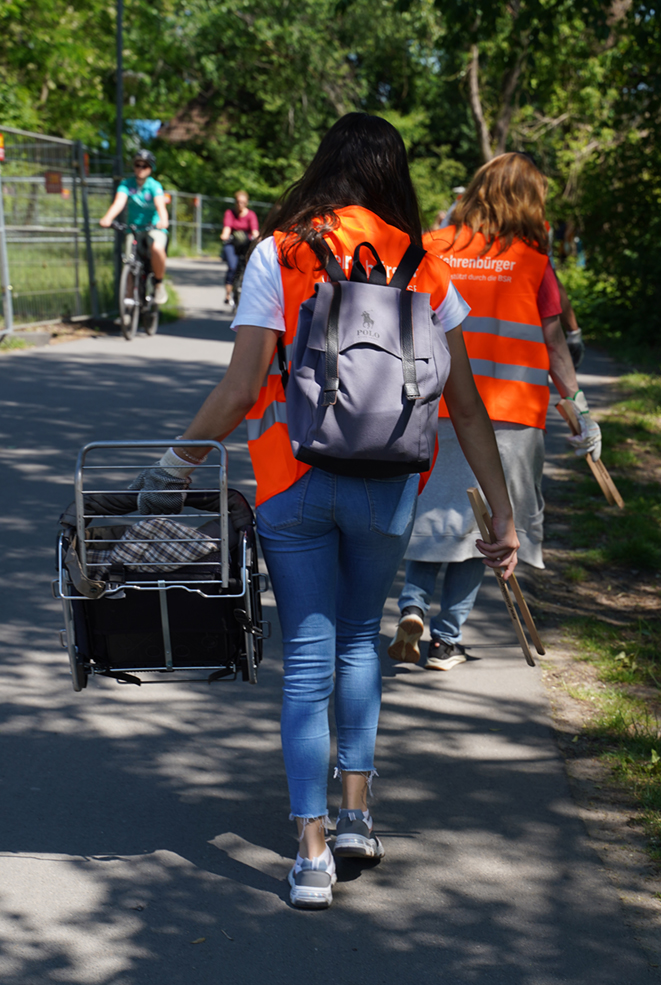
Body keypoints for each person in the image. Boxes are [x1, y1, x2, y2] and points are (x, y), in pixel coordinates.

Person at [130, 113, 519, 909]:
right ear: (390, 176)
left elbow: (241, 391)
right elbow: (468, 410)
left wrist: (174, 467)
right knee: (358, 643)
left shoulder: (282, 252)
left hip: (291, 485)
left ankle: (309, 856)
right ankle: (355, 817)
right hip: (390, 489)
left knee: (305, 662)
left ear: (324, 168)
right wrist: (501, 516)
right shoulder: (426, 265)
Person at [388, 152, 601, 672]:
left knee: (435, 517)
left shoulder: (432, 248)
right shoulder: (533, 260)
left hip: (430, 408)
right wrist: (579, 410)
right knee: (485, 531)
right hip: (509, 416)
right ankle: (445, 640)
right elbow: (554, 346)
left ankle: (413, 604)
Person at [99, 150, 169, 305]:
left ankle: (158, 284)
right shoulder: (126, 184)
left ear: (151, 168)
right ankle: (129, 299)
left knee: (157, 247)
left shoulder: (154, 186)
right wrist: (107, 218)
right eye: (137, 165)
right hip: (134, 229)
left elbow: (160, 205)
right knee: (129, 260)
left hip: (153, 227)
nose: (140, 168)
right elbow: (119, 202)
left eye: (145, 165)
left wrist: (163, 220)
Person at [220, 190, 260, 305]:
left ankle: (247, 293)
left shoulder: (251, 215)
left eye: (242, 202)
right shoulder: (230, 213)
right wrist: (224, 235)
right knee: (232, 267)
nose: (240, 204)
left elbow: (255, 231)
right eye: (238, 202)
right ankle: (228, 294)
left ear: (246, 203)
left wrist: (258, 239)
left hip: (245, 245)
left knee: (249, 268)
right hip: (232, 244)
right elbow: (227, 227)